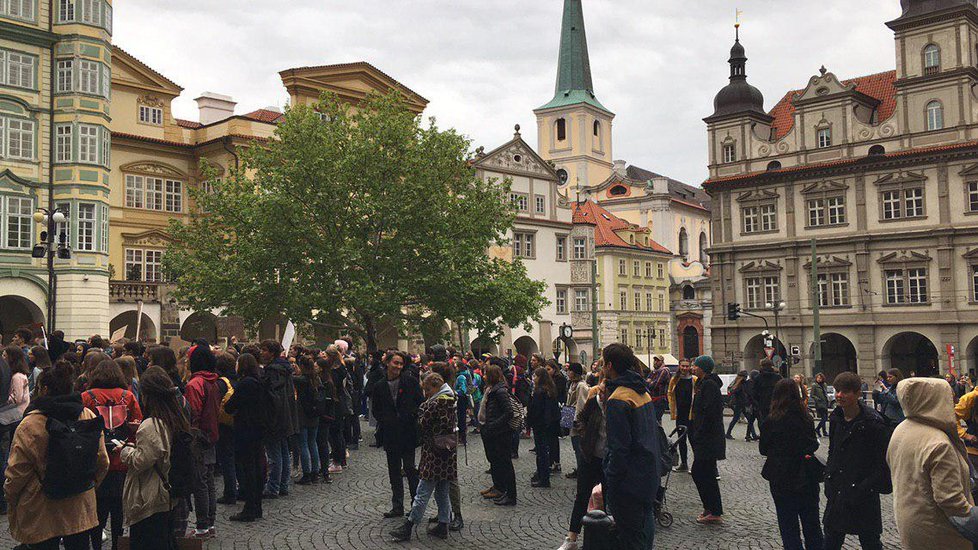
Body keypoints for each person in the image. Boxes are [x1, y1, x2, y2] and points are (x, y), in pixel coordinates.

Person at [5, 361, 110, 550]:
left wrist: (10, 496)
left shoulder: (31, 424)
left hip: (41, 503)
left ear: (44, 389)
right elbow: (102, 460)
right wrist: (90, 484)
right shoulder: (87, 415)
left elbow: (17, 472)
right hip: (79, 500)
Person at [888, 377, 974, 550]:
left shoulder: (902, 429)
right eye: (949, 398)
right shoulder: (938, 443)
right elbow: (951, 500)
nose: (953, 402)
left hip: (911, 523)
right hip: (939, 532)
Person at [823, 371, 892, 550]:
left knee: (870, 541)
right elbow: (833, 452)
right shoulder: (836, 418)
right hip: (838, 491)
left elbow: (883, 463)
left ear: (857, 394)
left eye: (845, 391)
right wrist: (829, 478)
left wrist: (864, 487)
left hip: (863, 493)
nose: (839, 395)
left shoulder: (873, 423)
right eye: (837, 390)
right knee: (831, 539)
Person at [119, 366, 186, 550]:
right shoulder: (176, 417)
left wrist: (125, 451)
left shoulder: (151, 424)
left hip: (150, 496)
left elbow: (141, 461)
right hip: (168, 493)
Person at [602, 343, 661, 549]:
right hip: (647, 473)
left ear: (609, 365)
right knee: (645, 528)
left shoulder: (618, 399)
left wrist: (612, 477)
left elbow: (619, 447)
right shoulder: (641, 390)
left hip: (629, 480)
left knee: (631, 537)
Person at [82, 360, 143, 550]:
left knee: (96, 512)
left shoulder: (86, 397)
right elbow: (138, 426)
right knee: (118, 510)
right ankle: (117, 545)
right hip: (121, 461)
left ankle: (96, 545)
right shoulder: (128, 396)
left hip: (95, 461)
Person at [390, 373, 458, 542]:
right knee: (442, 491)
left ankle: (409, 526)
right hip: (447, 452)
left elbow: (423, 423)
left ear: (435, 387)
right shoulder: (451, 399)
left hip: (434, 453)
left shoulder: (437, 403)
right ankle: (443, 524)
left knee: (423, 491)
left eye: (428, 390)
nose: (426, 393)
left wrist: (423, 409)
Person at [760, 378, 824, 550]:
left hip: (780, 476)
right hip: (805, 475)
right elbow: (813, 444)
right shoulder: (806, 418)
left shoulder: (771, 420)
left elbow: (763, 449)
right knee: (812, 523)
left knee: (788, 525)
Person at [371, 351, 424, 518]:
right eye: (395, 363)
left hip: (407, 432)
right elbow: (376, 409)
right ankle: (397, 506)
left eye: (401, 364)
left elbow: (419, 402)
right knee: (394, 471)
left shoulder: (410, 381)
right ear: (388, 363)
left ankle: (416, 506)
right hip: (390, 434)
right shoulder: (379, 385)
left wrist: (410, 415)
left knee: (409, 468)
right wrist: (386, 420)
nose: (398, 367)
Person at [558, 371, 606, 550]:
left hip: (602, 455)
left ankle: (604, 536)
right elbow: (578, 415)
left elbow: (577, 408)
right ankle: (571, 537)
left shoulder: (581, 387)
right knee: (582, 494)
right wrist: (574, 428)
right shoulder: (573, 387)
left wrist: (568, 424)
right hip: (589, 450)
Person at [181, 343, 220, 538]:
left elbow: (193, 412)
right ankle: (210, 523)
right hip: (211, 433)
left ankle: (203, 525)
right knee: (209, 481)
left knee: (200, 483)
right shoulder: (213, 380)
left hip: (198, 436)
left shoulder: (194, 384)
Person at [224, 353, 265, 522]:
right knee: (255, 468)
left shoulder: (246, 383)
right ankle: (256, 506)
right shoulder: (259, 381)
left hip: (246, 429)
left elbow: (230, 405)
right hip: (257, 429)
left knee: (248, 469)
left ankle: (249, 508)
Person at [259, 339, 298, 499]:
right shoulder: (284, 369)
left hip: (276, 418)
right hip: (285, 416)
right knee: (282, 453)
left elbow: (273, 397)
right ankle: (282, 485)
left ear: (272, 353)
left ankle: (274, 487)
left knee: (276, 455)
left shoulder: (273, 371)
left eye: (265, 350)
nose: (262, 352)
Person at [690, 355, 725, 525]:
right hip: (705, 437)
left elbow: (709, 412)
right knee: (705, 472)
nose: (693, 367)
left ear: (702, 368)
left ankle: (714, 510)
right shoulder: (704, 384)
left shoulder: (709, 385)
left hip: (708, 438)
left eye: (696, 365)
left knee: (702, 472)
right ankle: (711, 508)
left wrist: (699, 431)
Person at [480, 362, 517, 506]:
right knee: (496, 461)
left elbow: (509, 412)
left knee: (505, 464)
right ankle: (500, 488)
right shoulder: (492, 389)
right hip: (493, 431)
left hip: (500, 433)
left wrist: (493, 425)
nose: (483, 376)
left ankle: (510, 495)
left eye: (486, 374)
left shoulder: (500, 391)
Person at [527, 366, 559, 488]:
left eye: (535, 376)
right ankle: (542, 475)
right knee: (544, 450)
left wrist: (530, 421)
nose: (533, 378)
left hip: (540, 424)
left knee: (542, 452)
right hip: (547, 424)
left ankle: (543, 477)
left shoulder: (540, 392)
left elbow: (536, 410)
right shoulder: (549, 389)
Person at [294, 355, 323, 485]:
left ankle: (307, 473)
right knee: (313, 443)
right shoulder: (316, 379)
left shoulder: (301, 380)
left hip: (303, 415)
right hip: (314, 414)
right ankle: (315, 472)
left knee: (304, 444)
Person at [667, 358, 696, 472]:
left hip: (691, 415)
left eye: (687, 366)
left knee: (693, 439)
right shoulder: (675, 379)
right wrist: (673, 408)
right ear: (679, 366)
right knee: (681, 440)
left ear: (690, 367)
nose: (684, 368)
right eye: (682, 366)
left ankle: (696, 464)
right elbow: (670, 393)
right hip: (680, 414)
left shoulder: (694, 379)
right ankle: (684, 463)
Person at [565, 363, 589, 480]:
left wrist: (576, 421)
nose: (567, 372)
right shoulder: (573, 384)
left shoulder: (581, 386)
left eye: (569, 370)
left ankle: (582, 471)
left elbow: (582, 404)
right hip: (571, 416)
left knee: (579, 447)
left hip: (577, 421)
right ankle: (580, 469)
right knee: (576, 447)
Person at [751, 358, 782, 429]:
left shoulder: (757, 378)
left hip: (762, 405)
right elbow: (782, 391)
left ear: (761, 366)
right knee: (775, 423)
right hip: (775, 404)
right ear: (771, 366)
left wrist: (757, 404)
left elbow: (754, 393)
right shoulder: (778, 377)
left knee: (764, 423)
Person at [725, 370, 749, 440]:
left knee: (749, 419)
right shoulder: (739, 385)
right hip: (739, 404)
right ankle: (728, 433)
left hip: (741, 404)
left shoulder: (738, 383)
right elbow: (735, 392)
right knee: (736, 419)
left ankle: (751, 434)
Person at [810, 373, 830, 437]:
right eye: (818, 378)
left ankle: (824, 432)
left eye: (820, 378)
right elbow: (812, 395)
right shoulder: (814, 385)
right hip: (819, 404)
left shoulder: (824, 385)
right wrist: (817, 399)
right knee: (824, 418)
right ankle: (817, 429)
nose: (819, 379)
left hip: (825, 403)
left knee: (824, 418)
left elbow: (825, 393)